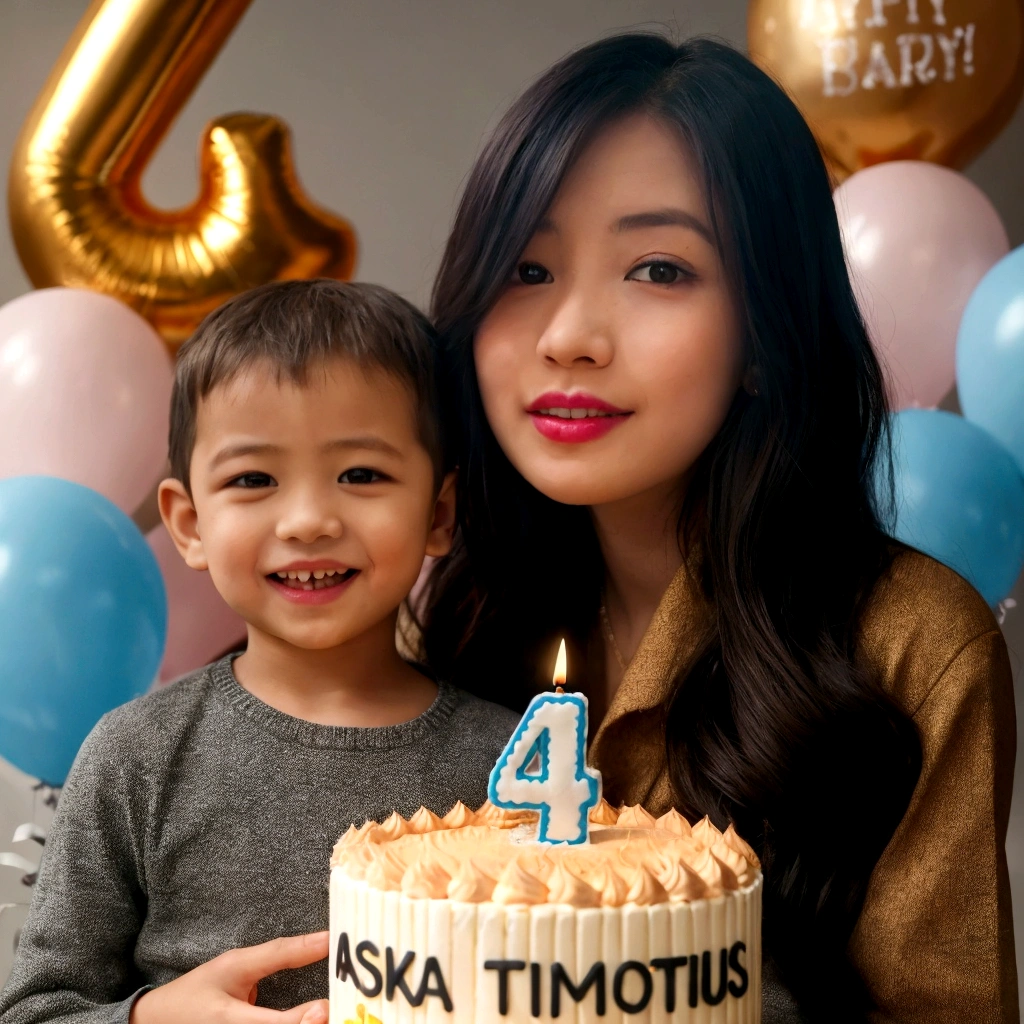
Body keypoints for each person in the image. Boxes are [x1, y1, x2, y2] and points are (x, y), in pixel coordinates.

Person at [420, 33, 1017, 1024]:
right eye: (525, 268)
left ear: (764, 334)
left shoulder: (912, 643)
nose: (569, 334)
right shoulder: (434, 605)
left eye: (656, 268)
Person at [0, 280, 519, 1024]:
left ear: (439, 513)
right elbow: (35, 1012)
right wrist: (153, 1017)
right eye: (254, 480)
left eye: (361, 475)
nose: (307, 520)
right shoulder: (136, 756)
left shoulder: (513, 765)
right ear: (189, 523)